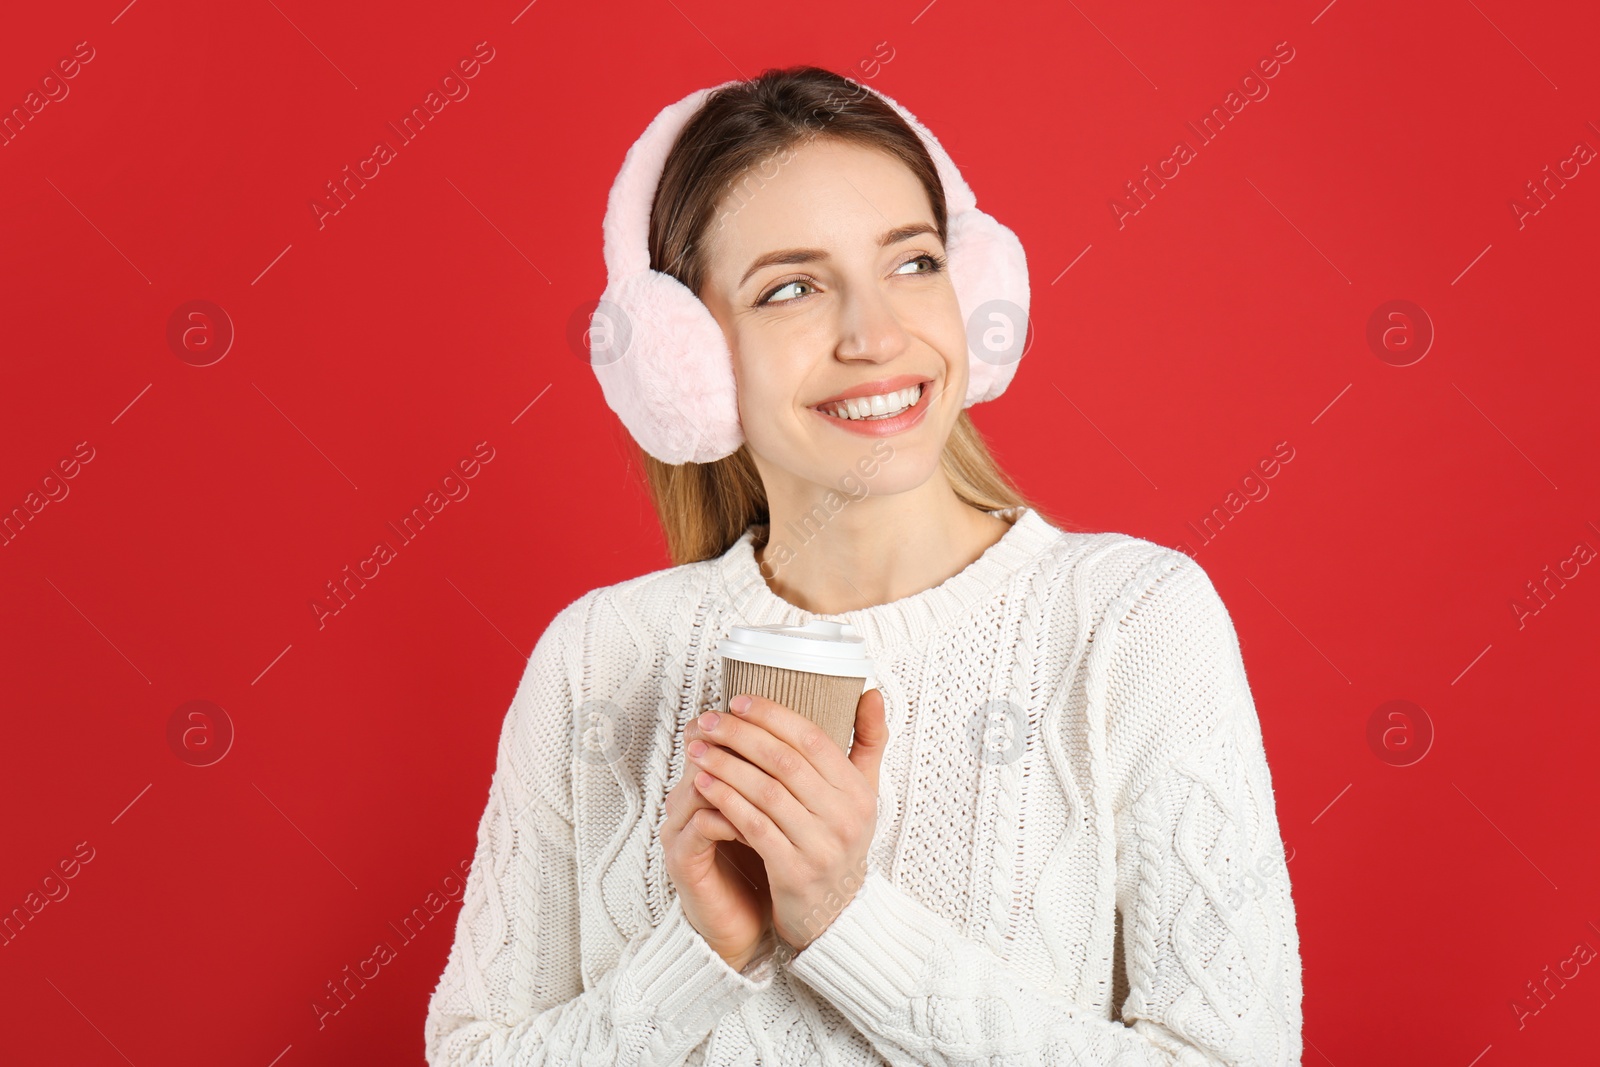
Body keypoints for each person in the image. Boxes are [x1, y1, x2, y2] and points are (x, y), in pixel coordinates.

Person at [424, 65, 1303, 1066]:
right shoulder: (598, 656)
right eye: (791, 287)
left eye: (913, 263)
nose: (876, 334)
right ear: (687, 358)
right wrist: (700, 950)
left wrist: (846, 920)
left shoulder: (1131, 620)